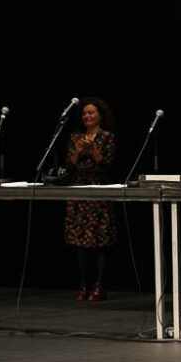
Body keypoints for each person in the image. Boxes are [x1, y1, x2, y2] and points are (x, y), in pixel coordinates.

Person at [64, 97, 117, 302]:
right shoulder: (75, 137)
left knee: (100, 242)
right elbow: (69, 167)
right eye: (85, 113)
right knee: (80, 243)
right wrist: (78, 152)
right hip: (79, 194)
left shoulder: (107, 137)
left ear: (100, 116)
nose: (87, 116)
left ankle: (99, 286)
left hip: (99, 193)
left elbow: (108, 166)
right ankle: (84, 284)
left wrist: (94, 151)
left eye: (91, 112)